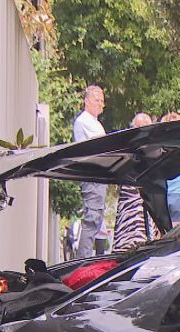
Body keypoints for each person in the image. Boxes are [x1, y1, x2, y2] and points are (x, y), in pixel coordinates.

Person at [112, 112, 159, 252]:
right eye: (139, 126)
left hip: (143, 197)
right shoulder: (128, 146)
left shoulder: (153, 147)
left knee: (143, 235)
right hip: (130, 199)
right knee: (131, 235)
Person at [73, 85, 108, 258]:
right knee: (92, 218)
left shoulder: (95, 122)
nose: (100, 104)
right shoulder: (84, 121)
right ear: (86, 101)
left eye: (102, 101)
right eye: (96, 100)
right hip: (92, 176)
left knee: (97, 218)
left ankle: (85, 258)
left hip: (99, 177)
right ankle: (83, 260)